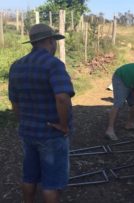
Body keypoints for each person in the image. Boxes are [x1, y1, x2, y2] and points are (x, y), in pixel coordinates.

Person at [8, 24, 75, 203]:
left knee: (29, 177)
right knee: (52, 184)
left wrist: (24, 120)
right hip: (51, 134)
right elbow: (62, 98)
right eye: (54, 41)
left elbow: (14, 101)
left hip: (28, 132)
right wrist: (63, 124)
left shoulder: (16, 66)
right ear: (50, 41)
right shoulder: (54, 64)